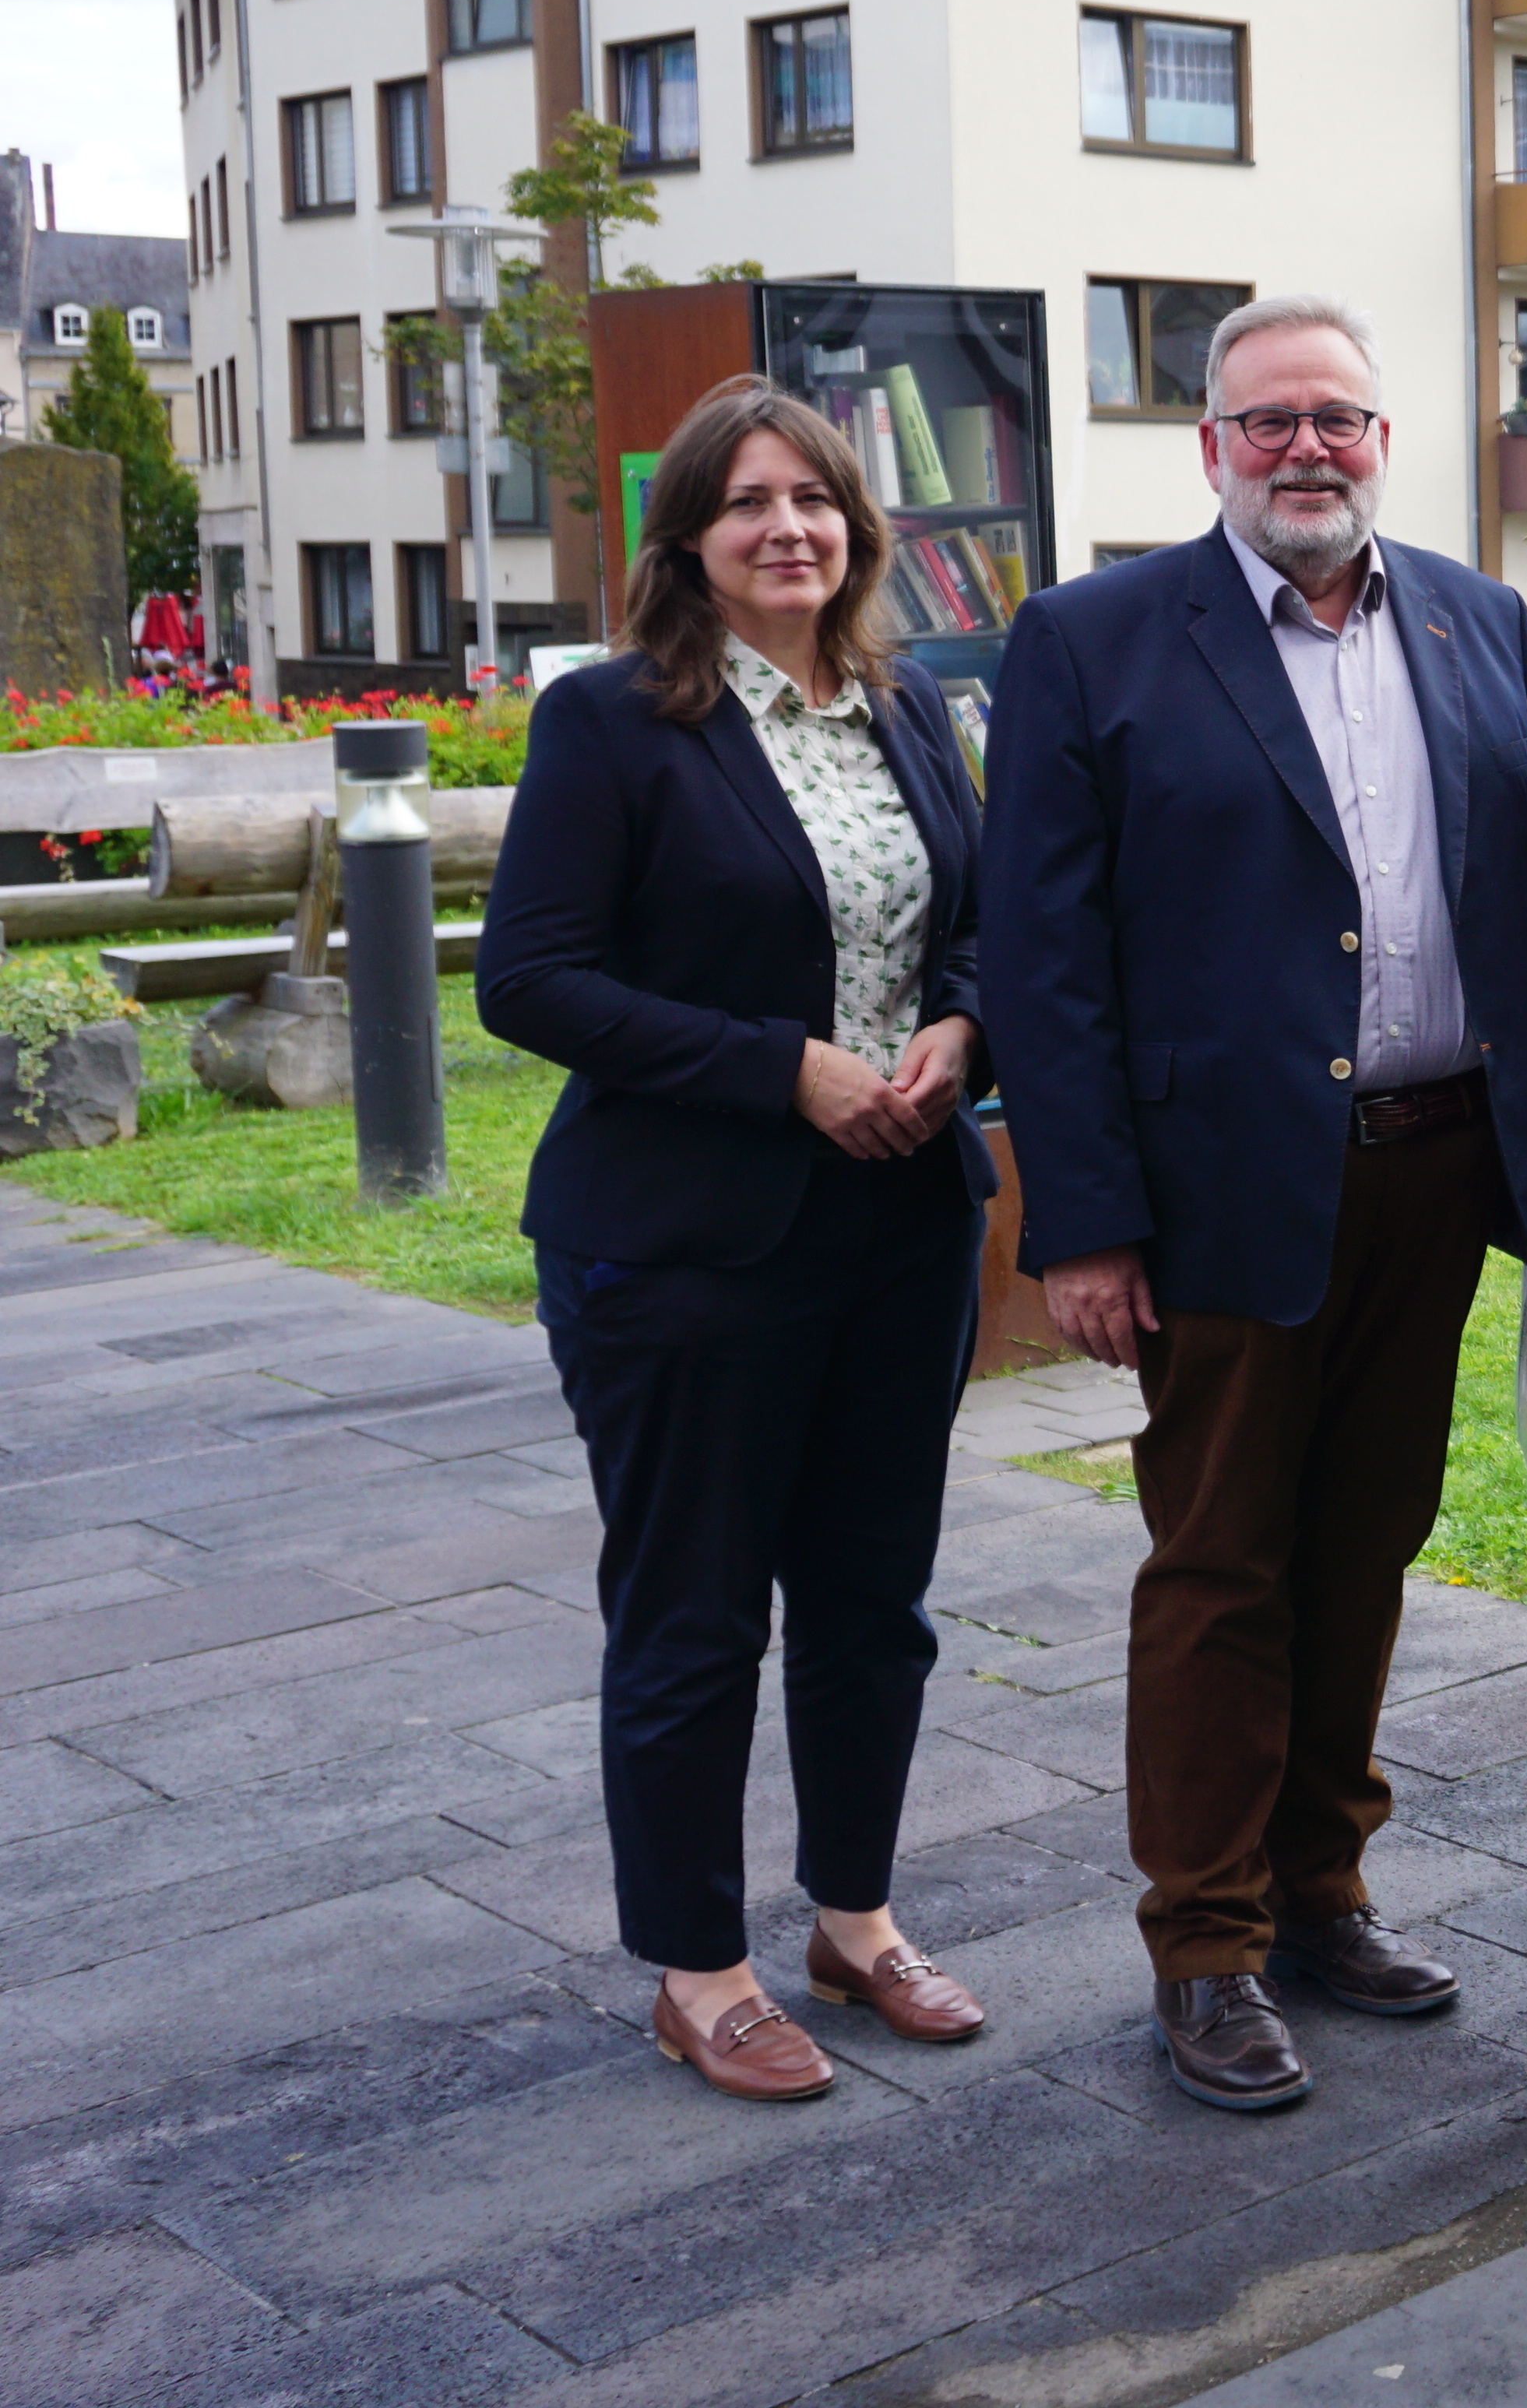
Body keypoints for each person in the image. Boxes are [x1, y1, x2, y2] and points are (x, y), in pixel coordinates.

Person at [987, 294, 1527, 2115]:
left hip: (1434, 1165)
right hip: (1221, 1190)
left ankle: (1323, 1892)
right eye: (1268, 422)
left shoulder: (1477, 618)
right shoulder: (1094, 640)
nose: (1306, 446)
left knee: (1365, 1548)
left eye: (1338, 416)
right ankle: (1208, 1941)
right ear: (1212, 448)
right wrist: (1079, 1219)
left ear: (1387, 439)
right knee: (1222, 1564)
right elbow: (1044, 953)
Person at [481, 381, 997, 2101]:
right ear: (689, 538)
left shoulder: (907, 708)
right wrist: (783, 1068)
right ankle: (699, 1966)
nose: (789, 525)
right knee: (696, 1612)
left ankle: (855, 1918)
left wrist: (961, 1033)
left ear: (858, 525)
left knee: (873, 1604)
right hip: (690, 1243)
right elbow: (531, 977)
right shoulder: (618, 723)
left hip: (900, 1228)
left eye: (817, 498)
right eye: (748, 500)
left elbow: (980, 923)